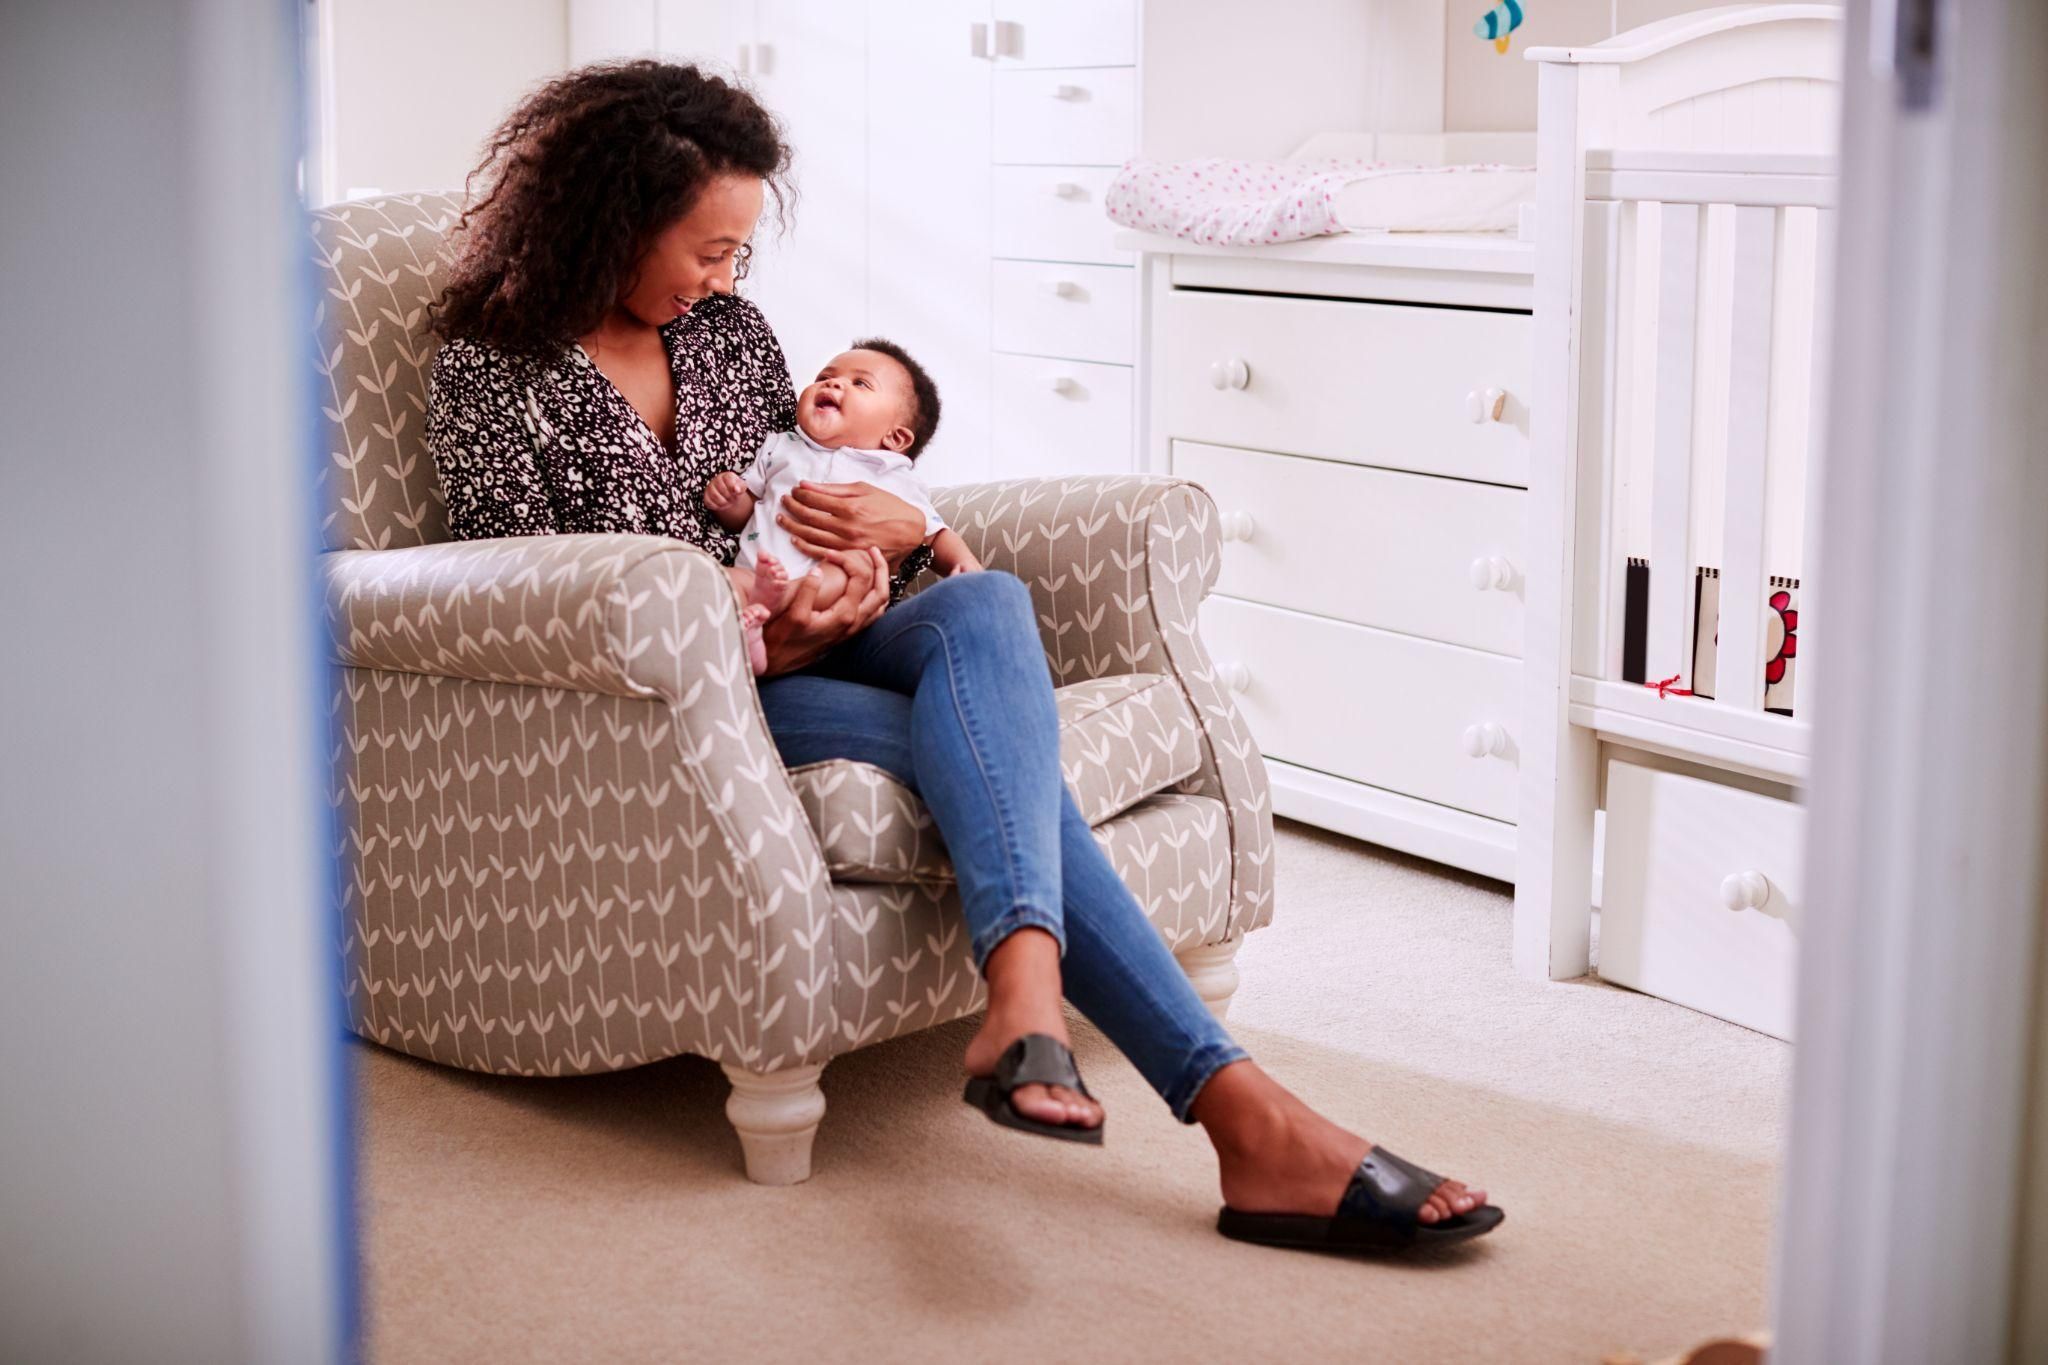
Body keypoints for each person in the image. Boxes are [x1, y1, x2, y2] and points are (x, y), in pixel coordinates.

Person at [423, 58, 1500, 1252]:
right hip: (685, 699)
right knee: (991, 768)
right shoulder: (492, 369)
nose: (725, 278)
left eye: (738, 252)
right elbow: (526, 604)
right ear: (609, 220)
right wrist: (764, 639)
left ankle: (1028, 994)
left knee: (986, 611)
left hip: (821, 634)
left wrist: (889, 544)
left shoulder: (727, 333)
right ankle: (1243, 1119)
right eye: (704, 249)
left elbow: (812, 489)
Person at [705, 340, 982, 673]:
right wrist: (730, 499)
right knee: (721, 581)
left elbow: (933, 534)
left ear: (895, 438)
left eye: (860, 383)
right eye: (825, 376)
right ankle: (749, 643)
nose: (832, 383)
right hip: (758, 575)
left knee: (849, 569)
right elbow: (746, 517)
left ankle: (767, 622)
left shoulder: (893, 475)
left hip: (830, 594)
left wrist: (964, 561)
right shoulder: (781, 446)